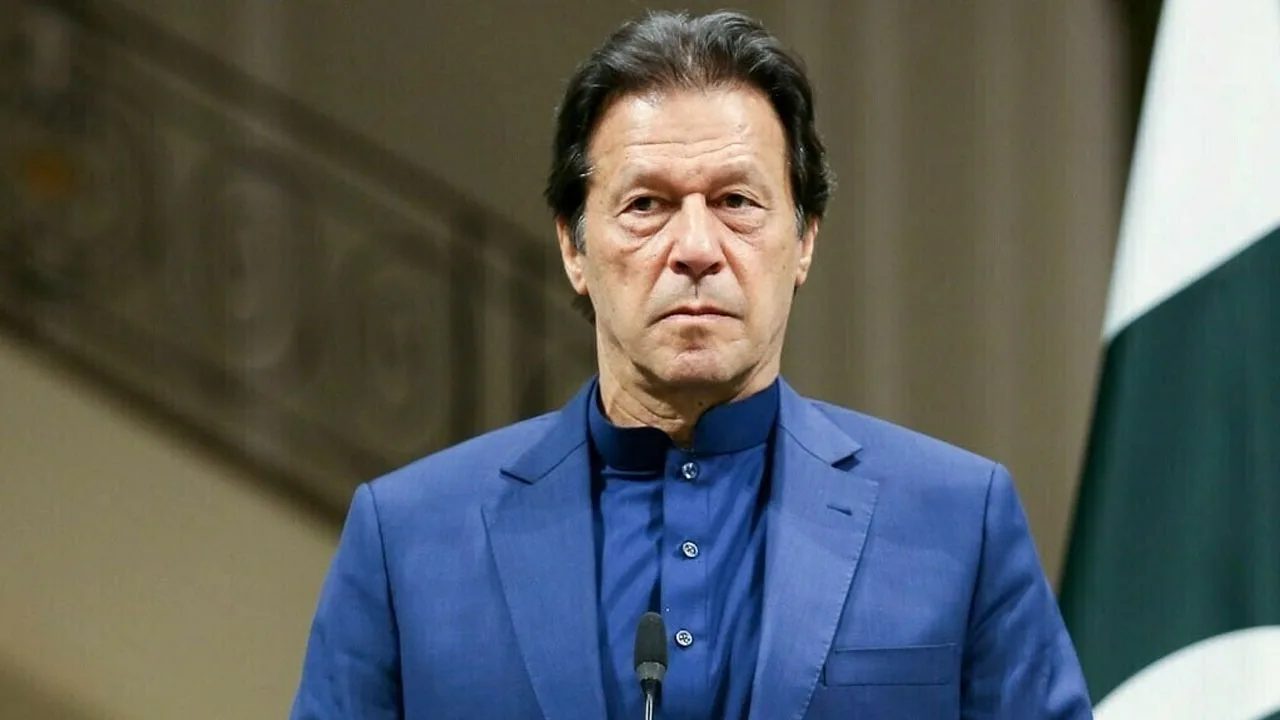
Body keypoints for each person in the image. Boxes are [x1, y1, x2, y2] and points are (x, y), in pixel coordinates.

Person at [290, 10, 1093, 719]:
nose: (697, 248)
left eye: (737, 202)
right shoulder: (406, 540)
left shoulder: (958, 522)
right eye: (647, 205)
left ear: (804, 239)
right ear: (573, 247)